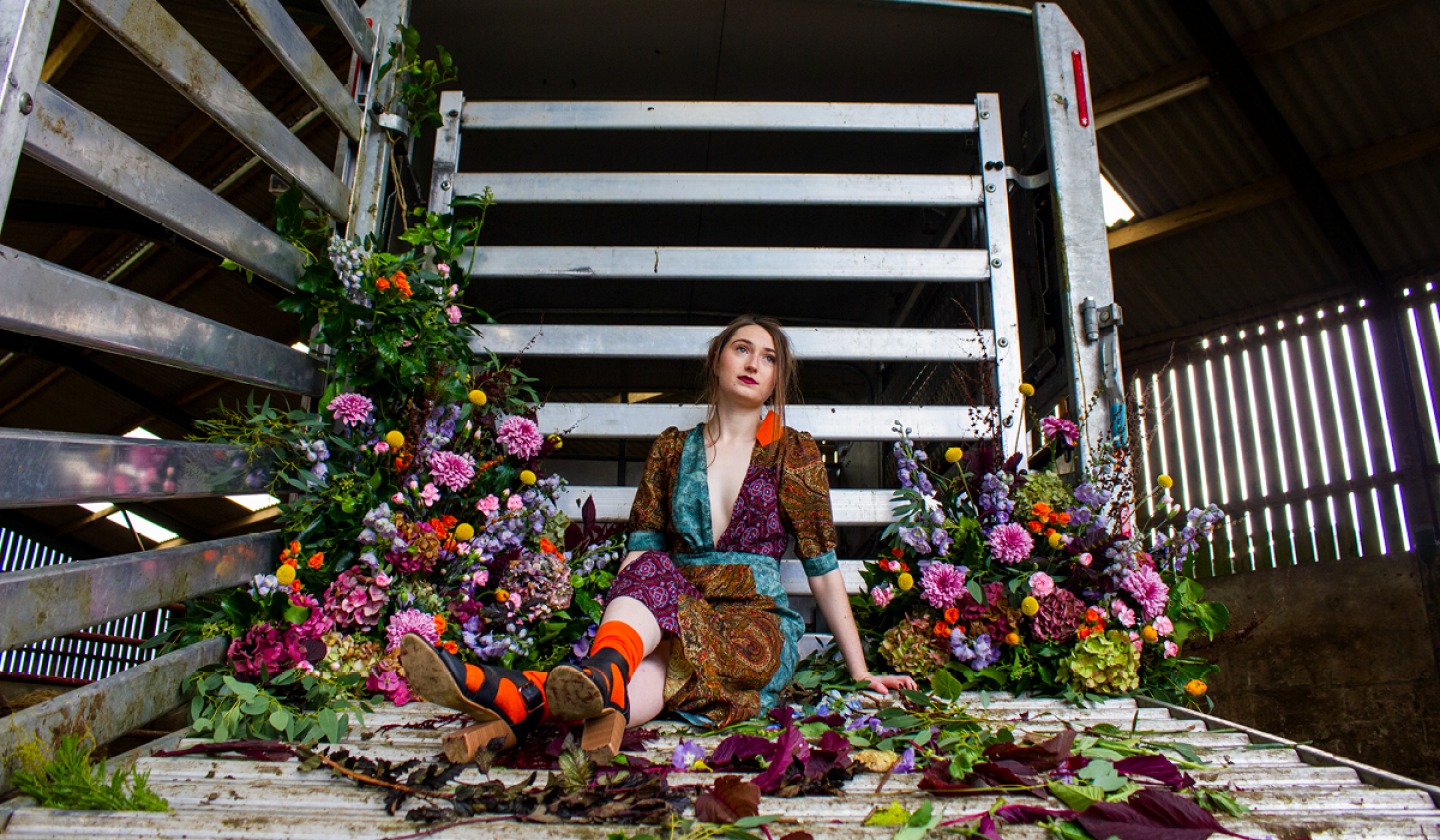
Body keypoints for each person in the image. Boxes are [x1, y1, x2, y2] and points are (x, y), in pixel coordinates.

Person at [401, 315, 914, 759]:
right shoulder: (671, 450)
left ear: (778, 378)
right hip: (668, 608)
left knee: (654, 635)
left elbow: (822, 569)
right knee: (647, 571)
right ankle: (588, 683)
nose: (754, 362)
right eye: (742, 348)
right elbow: (640, 557)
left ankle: (520, 693)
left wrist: (861, 670)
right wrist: (618, 617)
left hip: (750, 629)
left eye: (769, 357)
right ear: (717, 360)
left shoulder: (793, 454)